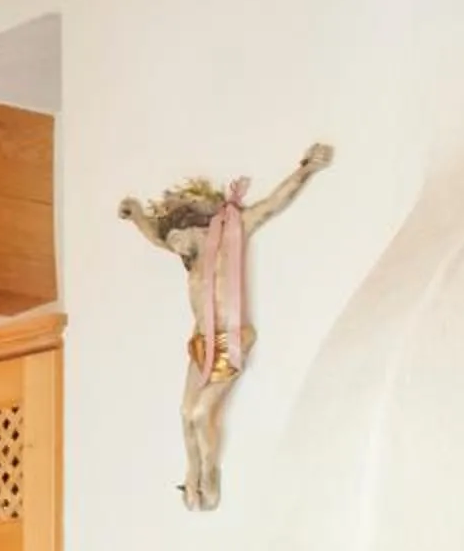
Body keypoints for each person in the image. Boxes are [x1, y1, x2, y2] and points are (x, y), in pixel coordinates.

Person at [119, 142, 333, 509]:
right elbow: (155, 235)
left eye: (179, 241)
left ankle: (209, 473)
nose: (177, 250)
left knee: (202, 413)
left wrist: (305, 169)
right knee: (185, 413)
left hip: (231, 338)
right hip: (200, 342)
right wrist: (136, 213)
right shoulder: (188, 252)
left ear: (193, 226)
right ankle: (190, 473)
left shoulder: (232, 232)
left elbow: (271, 205)